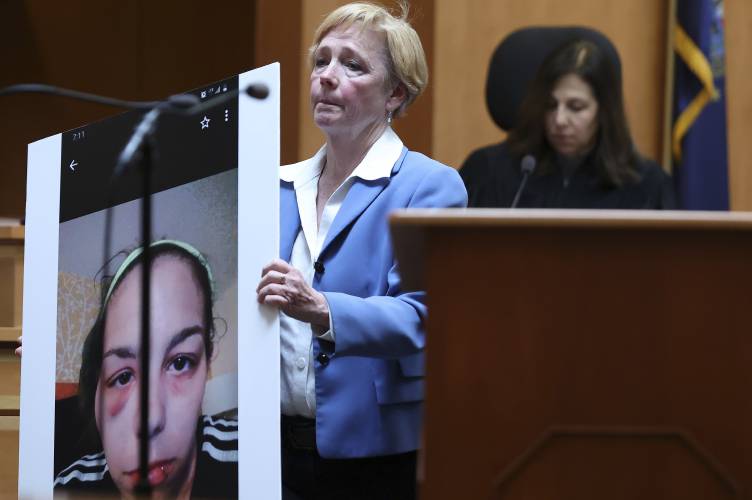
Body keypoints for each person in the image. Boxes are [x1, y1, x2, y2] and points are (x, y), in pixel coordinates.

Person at [255, 2, 467, 499]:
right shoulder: (276, 187)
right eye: (321, 60)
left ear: (395, 93)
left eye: (352, 64)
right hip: (269, 449)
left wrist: (322, 308)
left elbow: (425, 316)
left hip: (374, 456)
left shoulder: (430, 186)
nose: (327, 76)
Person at [53, 240, 238, 499]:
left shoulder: (250, 456)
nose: (151, 420)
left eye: (180, 362)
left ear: (207, 358)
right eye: (123, 376)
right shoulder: (67, 488)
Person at [460, 39, 675, 209]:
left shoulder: (646, 185)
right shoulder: (488, 172)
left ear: (605, 112)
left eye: (576, 107)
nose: (559, 120)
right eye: (550, 105)